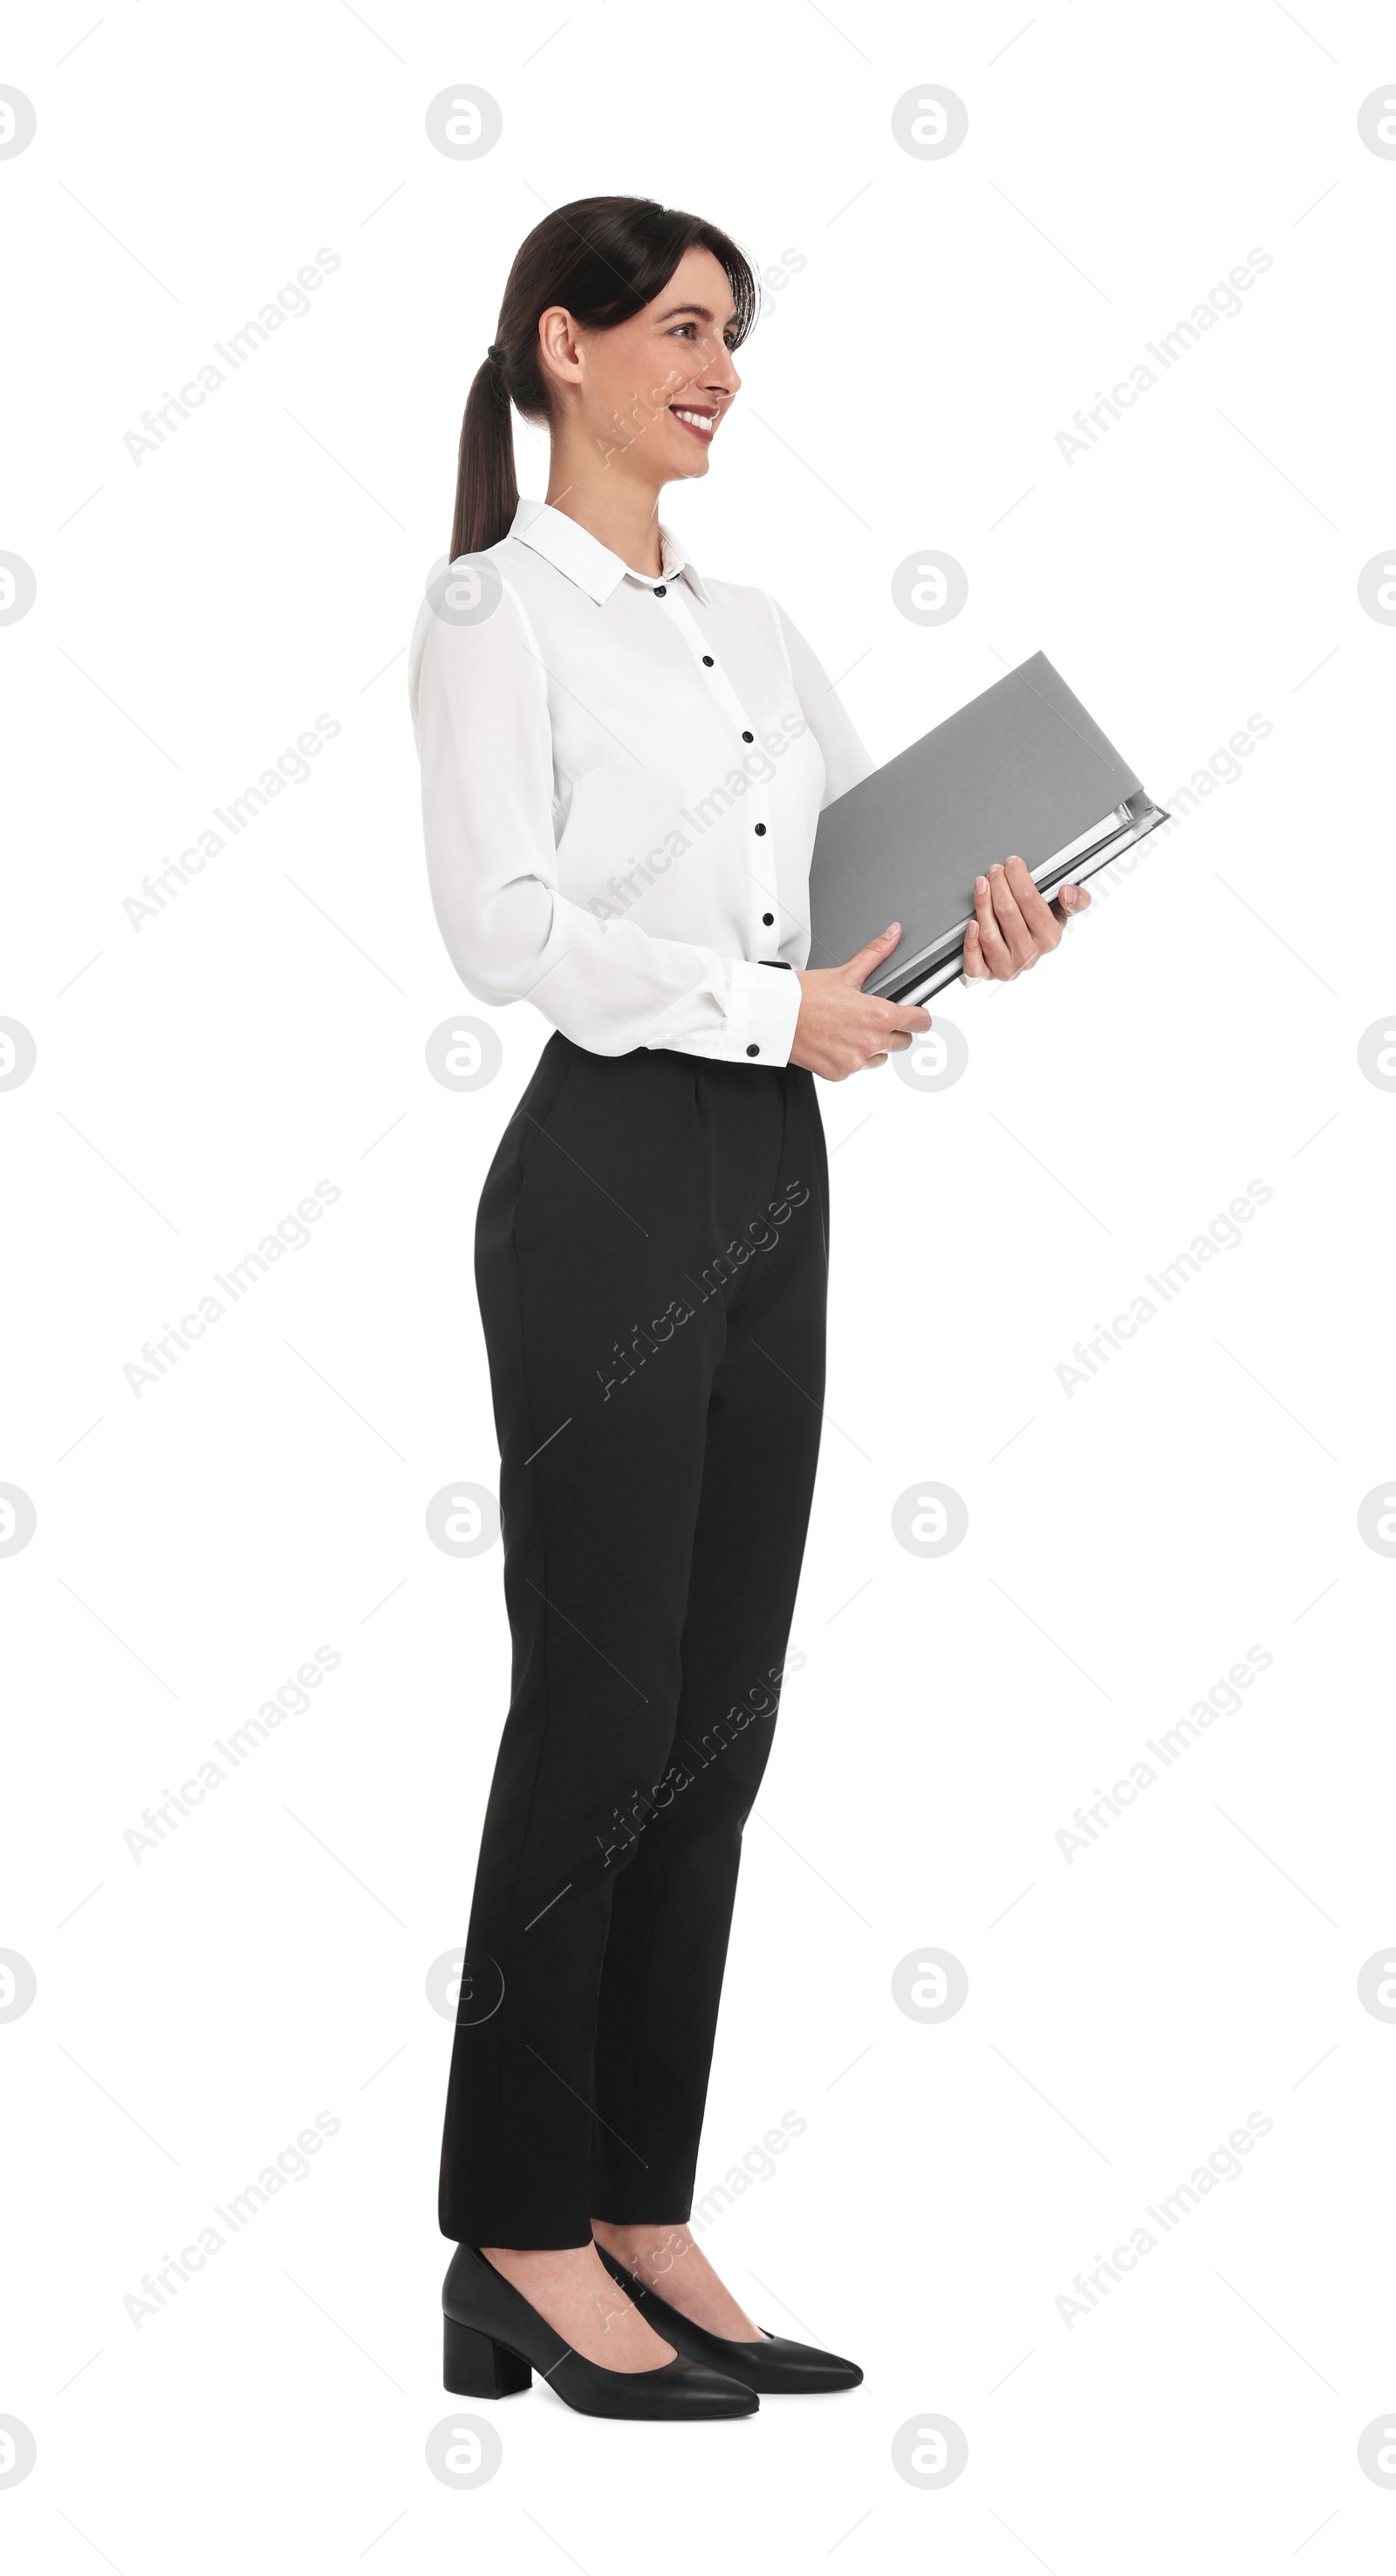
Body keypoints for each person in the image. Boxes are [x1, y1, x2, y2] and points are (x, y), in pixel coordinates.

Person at [408, 195, 1090, 2423]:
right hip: (604, 1166)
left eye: (735, 333)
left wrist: (970, 928)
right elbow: (500, 931)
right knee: (593, 1717)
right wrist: (757, 1005)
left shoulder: (760, 624)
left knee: (714, 1716)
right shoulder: (491, 614)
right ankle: (511, 2234)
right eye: (682, 328)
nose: (718, 365)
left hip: (770, 1169)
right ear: (566, 346)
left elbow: (850, 890)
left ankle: (633, 2201)